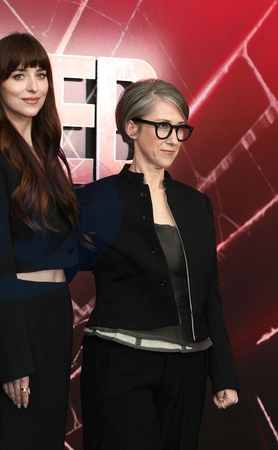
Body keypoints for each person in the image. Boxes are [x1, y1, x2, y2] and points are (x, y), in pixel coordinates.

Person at [74, 79, 239, 449]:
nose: (173, 139)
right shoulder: (96, 201)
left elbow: (208, 292)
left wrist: (223, 373)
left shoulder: (196, 204)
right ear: (131, 128)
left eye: (180, 129)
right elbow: (54, 268)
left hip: (188, 368)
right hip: (121, 364)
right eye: (163, 127)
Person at [0, 33, 79, 450]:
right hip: (17, 320)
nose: (33, 87)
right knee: (14, 436)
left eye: (41, 75)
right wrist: (12, 360)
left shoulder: (47, 152)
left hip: (53, 313)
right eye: (19, 75)